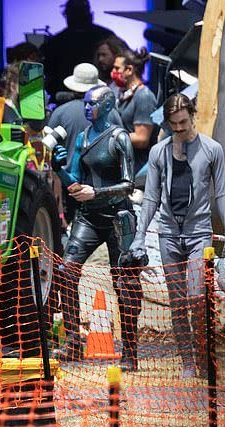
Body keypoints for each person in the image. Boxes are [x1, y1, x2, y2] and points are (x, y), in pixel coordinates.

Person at [130, 93, 225, 378]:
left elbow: (220, 193)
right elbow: (150, 199)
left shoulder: (211, 150)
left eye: (184, 123)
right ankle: (187, 361)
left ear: (193, 116)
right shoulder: (159, 152)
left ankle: (203, 355)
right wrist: (138, 236)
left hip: (198, 233)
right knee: (178, 300)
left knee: (197, 297)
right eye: (174, 125)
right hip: (169, 233)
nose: (180, 129)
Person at [50, 86, 143, 371]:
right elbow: (76, 180)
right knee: (66, 271)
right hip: (90, 217)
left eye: (91, 104)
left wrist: (97, 193)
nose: (86, 108)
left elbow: (129, 185)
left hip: (119, 216)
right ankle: (74, 342)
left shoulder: (119, 138)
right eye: (86, 104)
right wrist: (59, 169)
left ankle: (130, 351)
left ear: (105, 105)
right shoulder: (82, 137)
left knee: (124, 282)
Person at [47, 63, 123, 224]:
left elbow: (49, 151)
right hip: (104, 189)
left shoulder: (60, 113)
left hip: (71, 189)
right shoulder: (113, 113)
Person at [41, 0, 115, 101]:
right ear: (90, 14)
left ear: (67, 15)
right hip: (98, 100)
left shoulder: (55, 42)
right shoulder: (106, 36)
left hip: (67, 100)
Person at [112, 47, 157, 175]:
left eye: (117, 69)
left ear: (129, 70)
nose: (113, 72)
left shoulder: (144, 96)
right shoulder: (120, 93)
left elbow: (142, 139)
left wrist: (110, 137)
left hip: (137, 170)